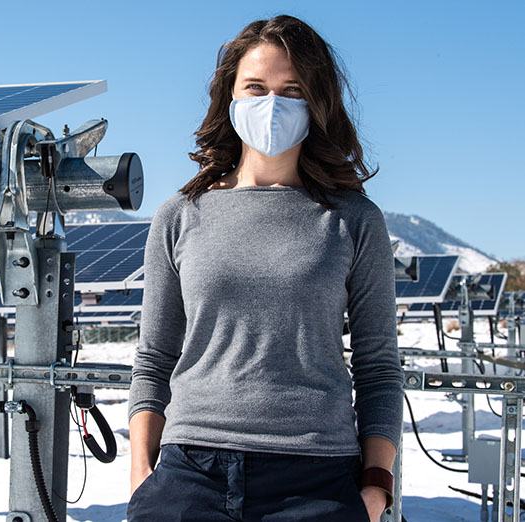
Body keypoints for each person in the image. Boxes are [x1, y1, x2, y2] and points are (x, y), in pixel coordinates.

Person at [127, 15, 403, 522]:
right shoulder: (181, 214)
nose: (272, 104)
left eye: (292, 90)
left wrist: (376, 489)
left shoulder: (354, 221)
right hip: (190, 474)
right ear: (230, 99)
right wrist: (142, 476)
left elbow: (379, 367)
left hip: (316, 479)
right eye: (255, 87)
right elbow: (154, 357)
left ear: (317, 102)